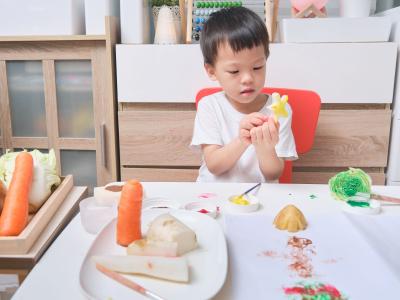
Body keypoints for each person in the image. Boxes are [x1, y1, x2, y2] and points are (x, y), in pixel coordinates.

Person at [190, 6, 297, 183]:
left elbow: (273, 174)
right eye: (234, 71)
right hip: (214, 197)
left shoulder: (279, 110)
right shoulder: (209, 106)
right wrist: (242, 140)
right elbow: (214, 165)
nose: (247, 78)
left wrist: (266, 148)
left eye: (257, 67)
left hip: (259, 199)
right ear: (212, 71)